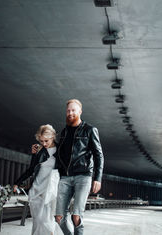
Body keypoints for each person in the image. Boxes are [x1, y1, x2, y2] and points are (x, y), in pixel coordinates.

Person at [33, 99, 104, 235]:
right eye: (68, 111)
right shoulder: (64, 132)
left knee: (76, 216)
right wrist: (42, 147)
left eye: (73, 110)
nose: (70, 113)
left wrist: (98, 178)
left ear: (80, 112)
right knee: (59, 217)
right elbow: (59, 152)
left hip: (83, 176)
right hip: (65, 177)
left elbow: (98, 155)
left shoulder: (90, 130)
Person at [13, 124, 60, 235]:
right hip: (37, 189)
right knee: (38, 221)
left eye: (46, 141)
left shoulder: (61, 150)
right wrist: (17, 182)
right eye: (41, 141)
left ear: (53, 136)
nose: (44, 144)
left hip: (52, 189)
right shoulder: (39, 151)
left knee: (48, 220)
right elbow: (31, 170)